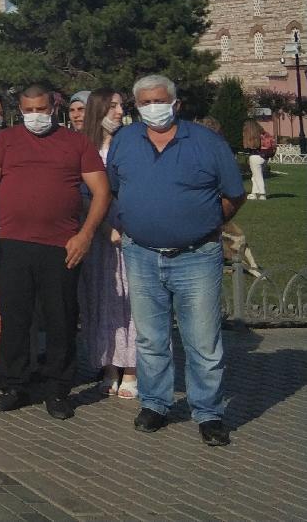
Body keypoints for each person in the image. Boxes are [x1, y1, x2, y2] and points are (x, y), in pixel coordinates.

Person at [108, 74, 244, 446]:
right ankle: (155, 403)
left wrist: (208, 221)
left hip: (196, 256)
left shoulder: (207, 142)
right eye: (145, 102)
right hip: (141, 253)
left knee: (202, 340)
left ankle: (209, 412)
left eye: (160, 100)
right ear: (137, 107)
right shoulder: (125, 141)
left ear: (176, 104)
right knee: (151, 338)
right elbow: (115, 189)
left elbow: (234, 194)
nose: (154, 108)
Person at [0, 85, 110, 420]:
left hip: (61, 246)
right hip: (13, 243)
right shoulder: (6, 140)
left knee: (60, 318)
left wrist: (85, 235)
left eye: (41, 109)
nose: (35, 116)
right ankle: (14, 385)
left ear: (54, 108)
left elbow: (101, 191)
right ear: (20, 111)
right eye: (28, 110)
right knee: (16, 317)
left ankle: (58, 389)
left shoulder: (76, 143)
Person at [76, 88, 137, 399]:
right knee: (102, 297)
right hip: (97, 230)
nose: (119, 111)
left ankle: (133, 368)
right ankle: (109, 364)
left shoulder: (130, 143)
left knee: (131, 299)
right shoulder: (83, 146)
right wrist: (101, 226)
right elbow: (79, 191)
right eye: (112, 106)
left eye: (121, 106)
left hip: (129, 227)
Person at [242, 118, 269, 201]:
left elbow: (248, 147)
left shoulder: (251, 135)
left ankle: (262, 194)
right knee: (255, 177)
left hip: (255, 157)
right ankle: (254, 193)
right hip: (265, 156)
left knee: (257, 176)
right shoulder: (262, 133)